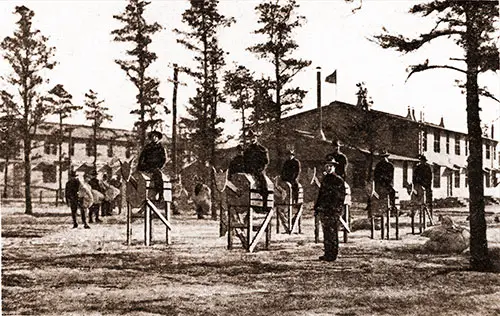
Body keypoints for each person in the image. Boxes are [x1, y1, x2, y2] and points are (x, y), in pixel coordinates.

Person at [314, 156, 346, 262]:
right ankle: (327, 253)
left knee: (332, 232)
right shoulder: (325, 180)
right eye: (327, 166)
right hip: (324, 210)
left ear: (334, 167)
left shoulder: (338, 180)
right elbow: (321, 195)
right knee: (326, 232)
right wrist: (317, 208)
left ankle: (333, 254)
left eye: (330, 166)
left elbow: (340, 197)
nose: (328, 168)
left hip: (333, 210)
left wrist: (336, 209)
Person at [243, 130, 270, 208]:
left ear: (256, 138)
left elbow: (266, 162)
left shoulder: (262, 149)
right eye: (250, 137)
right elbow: (244, 161)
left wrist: (260, 169)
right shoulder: (247, 150)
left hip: (258, 171)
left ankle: (265, 205)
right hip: (249, 171)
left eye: (254, 137)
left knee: (264, 185)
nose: (252, 139)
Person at [137, 130, 167, 201]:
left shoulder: (161, 148)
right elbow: (142, 157)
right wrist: (140, 165)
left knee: (158, 176)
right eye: (153, 136)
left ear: (158, 138)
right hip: (146, 166)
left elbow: (163, 159)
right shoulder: (147, 147)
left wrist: (158, 167)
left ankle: (160, 195)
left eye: (156, 136)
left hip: (155, 167)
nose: (154, 138)